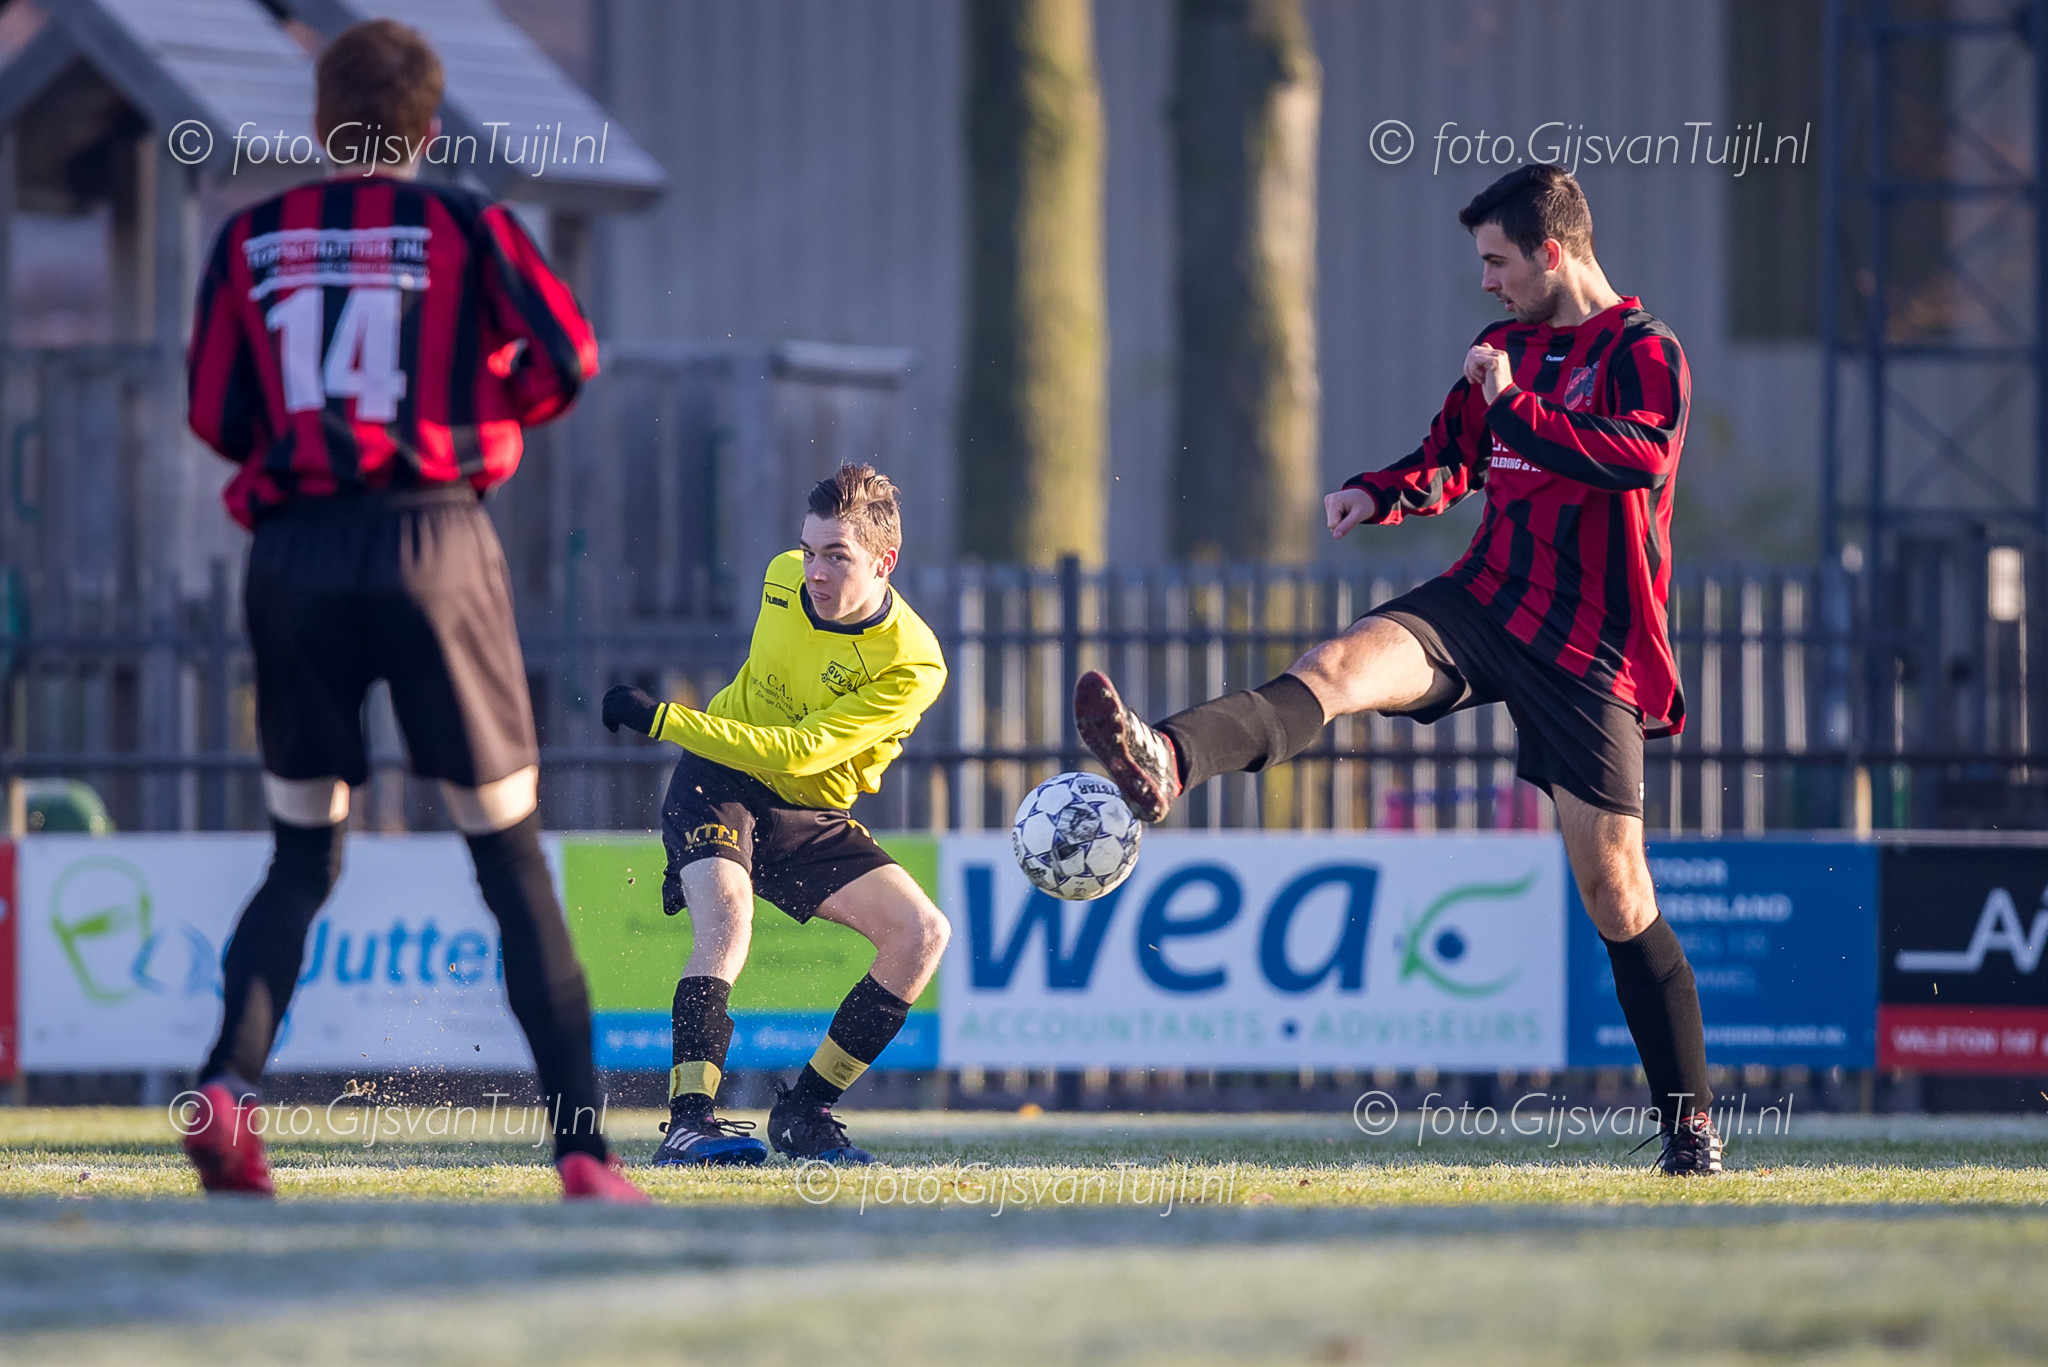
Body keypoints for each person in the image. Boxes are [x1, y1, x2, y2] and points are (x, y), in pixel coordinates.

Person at [1075, 163, 1723, 1175]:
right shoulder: (1503, 354)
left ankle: (1689, 1127)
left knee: (1615, 889)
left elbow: (1637, 457)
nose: (1486, 282)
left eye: (1497, 262)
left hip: (1589, 649)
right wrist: (1379, 492)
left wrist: (1510, 407)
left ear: (1553, 253)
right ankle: (1166, 755)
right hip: (1485, 602)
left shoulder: (1645, 350)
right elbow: (1452, 456)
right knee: (1333, 666)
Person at [181, 19, 643, 1202]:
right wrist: (480, 406)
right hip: (433, 536)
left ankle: (225, 1087)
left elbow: (216, 412)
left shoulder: (250, 237)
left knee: (301, 850)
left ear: (317, 122)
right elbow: (568, 354)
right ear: (431, 127)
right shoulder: (465, 223)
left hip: (292, 550)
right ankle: (583, 1152)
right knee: (510, 859)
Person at [602, 464, 950, 1166]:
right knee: (728, 918)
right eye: (808, 549)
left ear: (885, 562)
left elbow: (799, 752)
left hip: (810, 806)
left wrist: (664, 719)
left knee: (921, 934)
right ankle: (689, 1121)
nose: (814, 572)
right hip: (718, 777)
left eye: (836, 556)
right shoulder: (780, 576)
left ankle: (805, 1111)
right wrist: (690, 735)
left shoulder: (913, 664)